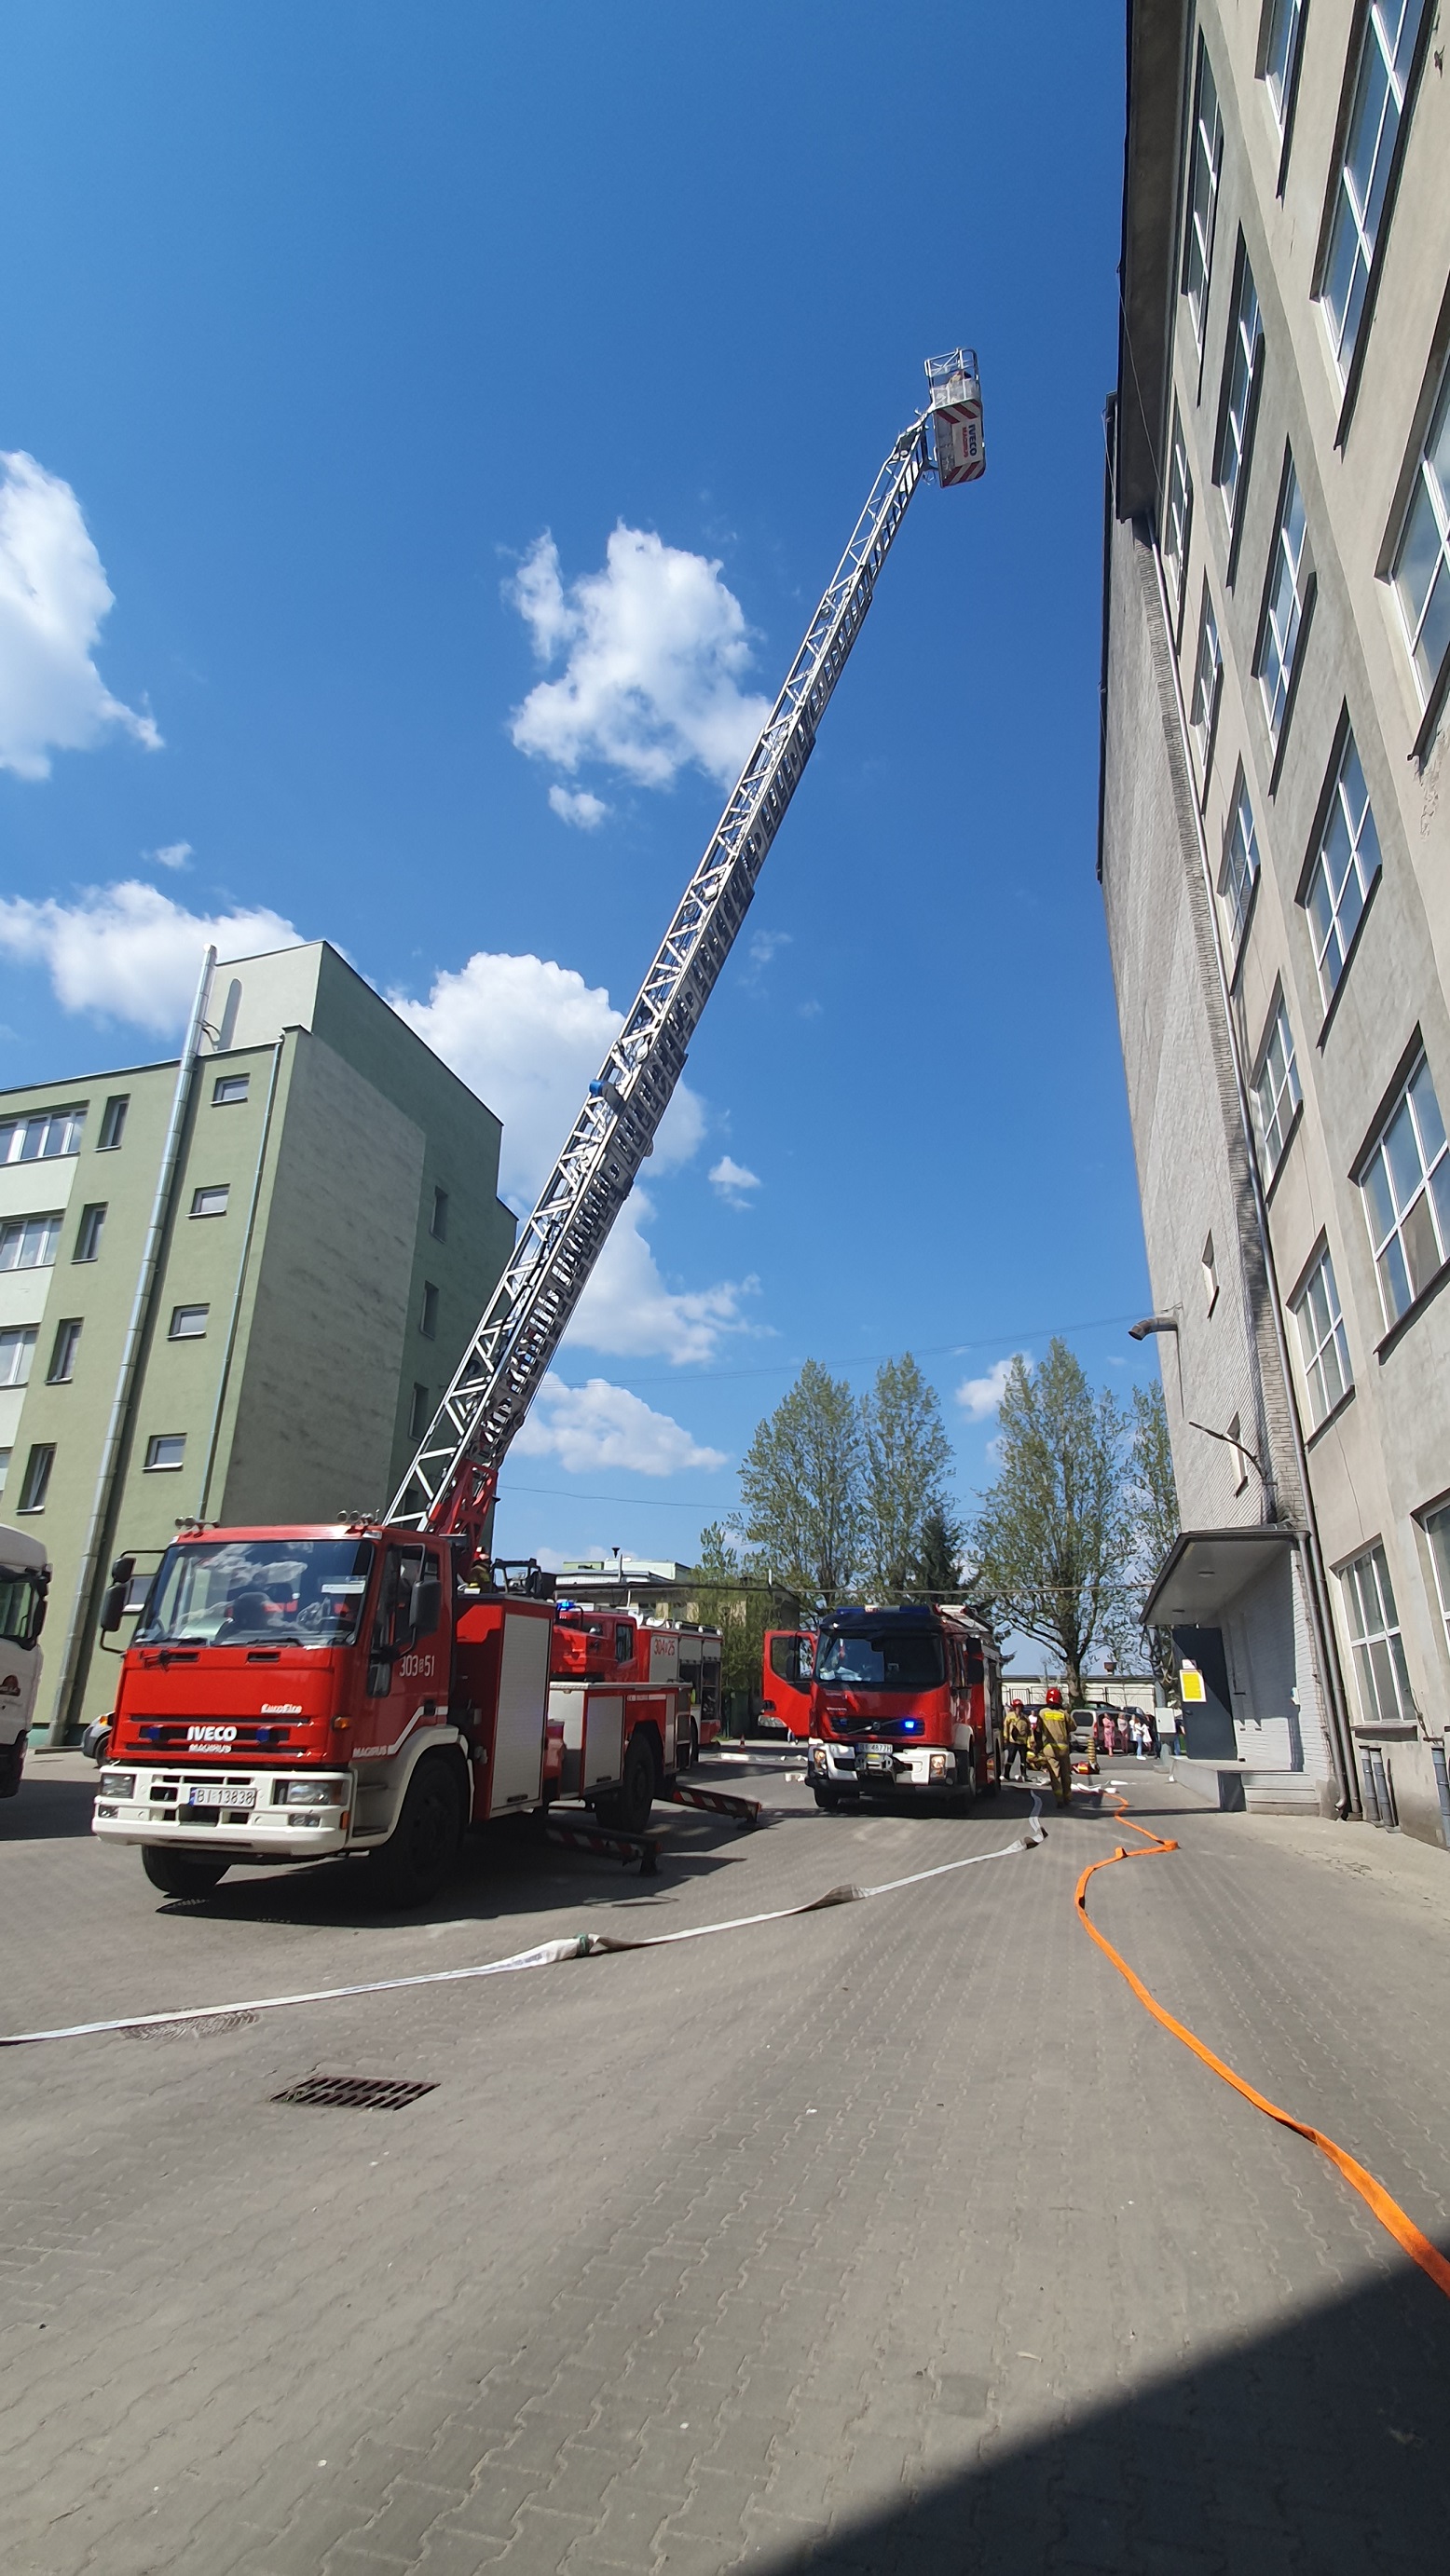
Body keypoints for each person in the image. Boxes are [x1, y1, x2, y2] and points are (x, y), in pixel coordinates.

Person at [1038, 1685, 1074, 1810]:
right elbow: (1073, 1727)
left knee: (1055, 1776)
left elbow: (1038, 1729)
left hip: (1050, 1748)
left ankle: (1059, 1800)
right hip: (1063, 1747)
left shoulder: (1043, 1713)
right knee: (1066, 1774)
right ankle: (1067, 1797)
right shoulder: (1064, 1714)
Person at [1004, 1699, 1030, 1781]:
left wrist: (1029, 1741)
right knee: (1010, 1759)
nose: (1018, 1709)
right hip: (1013, 1742)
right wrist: (1006, 1737)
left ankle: (1024, 1774)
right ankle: (1006, 1775)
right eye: (1017, 1707)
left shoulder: (1025, 1718)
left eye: (1020, 1707)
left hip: (1022, 1742)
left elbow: (1029, 1730)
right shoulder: (1010, 1716)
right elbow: (1006, 1726)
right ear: (1014, 1708)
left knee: (1023, 1760)